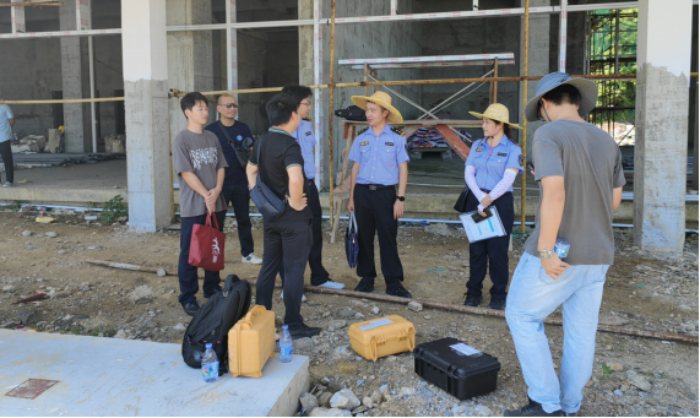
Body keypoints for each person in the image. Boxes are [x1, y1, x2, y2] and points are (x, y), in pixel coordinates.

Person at [504, 72, 625, 418]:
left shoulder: (549, 134)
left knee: (521, 315)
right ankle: (569, 406)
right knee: (581, 332)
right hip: (598, 253)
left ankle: (546, 405)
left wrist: (545, 250)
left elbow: (555, 193)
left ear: (544, 103)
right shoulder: (606, 141)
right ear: (577, 101)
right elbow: (614, 201)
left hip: (561, 251)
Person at [247, 93, 321, 340]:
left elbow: (250, 171)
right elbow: (296, 179)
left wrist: (260, 198)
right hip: (293, 220)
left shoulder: (261, 141)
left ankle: (262, 318)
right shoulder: (290, 145)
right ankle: (293, 323)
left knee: (268, 266)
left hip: (271, 217)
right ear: (292, 116)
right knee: (293, 270)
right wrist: (296, 202)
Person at [278, 85, 345, 294]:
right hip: (289, 189)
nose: (309, 107)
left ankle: (319, 277)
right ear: (293, 104)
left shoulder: (306, 125)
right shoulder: (280, 129)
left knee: (314, 232)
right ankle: (290, 285)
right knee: (292, 237)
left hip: (309, 185)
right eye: (306, 103)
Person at [347, 91, 412, 299]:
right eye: (367, 110)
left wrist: (400, 198)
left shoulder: (396, 138)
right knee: (364, 237)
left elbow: (403, 169)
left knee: (388, 238)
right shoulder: (361, 138)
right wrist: (351, 197)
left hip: (386, 195)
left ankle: (393, 282)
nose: (368, 114)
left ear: (385, 113)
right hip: (362, 194)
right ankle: (366, 279)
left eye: (373, 110)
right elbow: (355, 168)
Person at [462, 104, 524, 311]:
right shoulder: (477, 145)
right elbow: (469, 173)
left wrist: (487, 200)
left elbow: (508, 179)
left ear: (500, 125)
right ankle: (473, 292)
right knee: (477, 250)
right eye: (483, 121)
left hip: (500, 202)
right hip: (477, 199)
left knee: (497, 252)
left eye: (487, 122)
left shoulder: (513, 149)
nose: (483, 126)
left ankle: (498, 294)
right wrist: (480, 198)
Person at [173, 92, 229, 318]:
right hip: (194, 205)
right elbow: (186, 172)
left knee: (213, 247)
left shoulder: (212, 137)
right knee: (190, 252)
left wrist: (217, 190)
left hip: (216, 203)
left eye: (206, 108)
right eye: (200, 109)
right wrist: (206, 195)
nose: (205, 112)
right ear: (188, 112)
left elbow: (221, 166)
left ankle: (212, 287)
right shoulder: (182, 139)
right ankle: (188, 297)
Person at [205, 94, 262, 266]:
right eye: (228, 105)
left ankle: (248, 254)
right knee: (217, 222)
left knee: (243, 220)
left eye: (234, 105)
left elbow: (252, 151)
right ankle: (215, 255)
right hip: (219, 185)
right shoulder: (210, 130)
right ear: (219, 108)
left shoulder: (243, 128)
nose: (232, 109)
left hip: (240, 182)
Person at [0, 97, 16, 188]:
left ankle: (9, 180)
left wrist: (6, 130)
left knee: (7, 159)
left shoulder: (4, 106)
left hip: (3, 137)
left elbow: (11, 120)